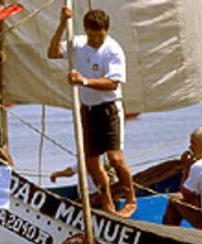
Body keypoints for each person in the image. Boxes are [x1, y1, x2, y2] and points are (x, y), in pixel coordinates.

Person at [47, 7, 137, 217]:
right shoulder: (76, 43)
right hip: (87, 109)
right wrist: (61, 24)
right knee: (92, 162)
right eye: (92, 35)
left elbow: (113, 83)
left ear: (106, 31)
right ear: (86, 31)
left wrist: (83, 81)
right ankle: (107, 204)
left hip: (109, 108)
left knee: (115, 158)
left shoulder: (112, 50)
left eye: (100, 35)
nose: (96, 39)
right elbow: (52, 53)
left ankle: (131, 199)